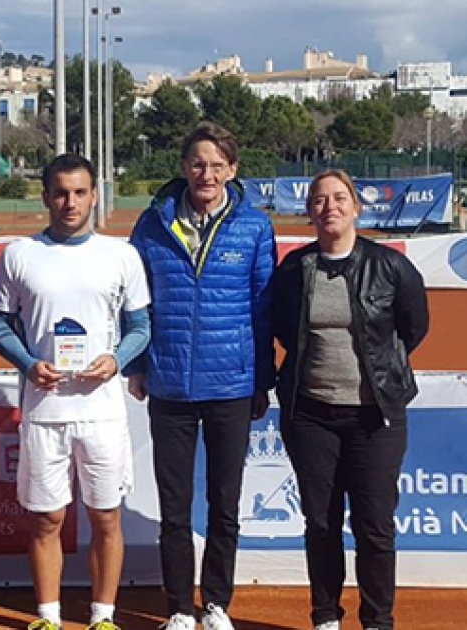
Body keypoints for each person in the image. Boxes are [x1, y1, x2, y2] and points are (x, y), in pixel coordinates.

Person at [0, 153, 151, 630]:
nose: (70, 202)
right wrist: (27, 363)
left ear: (94, 195)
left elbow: (140, 326)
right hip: (43, 411)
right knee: (46, 520)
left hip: (102, 414)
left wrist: (116, 360)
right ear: (45, 197)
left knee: (106, 520)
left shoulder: (121, 255)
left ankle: (103, 617)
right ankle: (48, 617)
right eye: (60, 192)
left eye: (80, 192)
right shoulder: (20, 255)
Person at [127, 122, 277, 630]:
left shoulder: (254, 228)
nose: (206, 173)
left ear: (233, 170)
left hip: (231, 387)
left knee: (224, 504)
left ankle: (215, 603)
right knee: (174, 508)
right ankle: (177, 608)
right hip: (169, 384)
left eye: (217, 165)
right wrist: (138, 364)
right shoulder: (150, 225)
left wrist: (261, 380)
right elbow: (134, 304)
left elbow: (263, 309)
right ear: (183, 167)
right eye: (197, 163)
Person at [272, 170, 428, 630]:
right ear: (309, 212)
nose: (329, 208)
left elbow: (413, 327)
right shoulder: (295, 270)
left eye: (339, 198)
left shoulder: (391, 267)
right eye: (319, 201)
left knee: (374, 528)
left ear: (356, 206)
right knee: (320, 524)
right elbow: (283, 329)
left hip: (375, 419)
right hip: (311, 417)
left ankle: (377, 621)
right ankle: (325, 618)